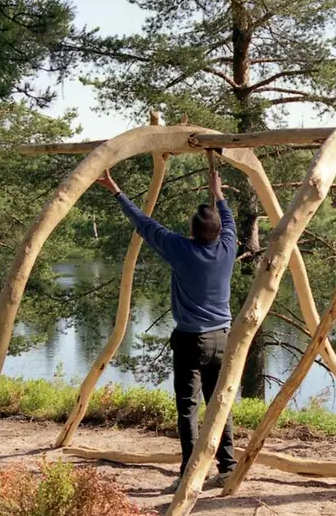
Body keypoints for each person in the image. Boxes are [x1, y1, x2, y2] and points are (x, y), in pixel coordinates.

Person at [96, 165, 237, 493]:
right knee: (219, 403)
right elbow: (227, 220)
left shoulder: (182, 250)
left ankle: (190, 473)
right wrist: (218, 194)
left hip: (191, 339)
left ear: (191, 230)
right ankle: (227, 467)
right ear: (217, 232)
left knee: (188, 407)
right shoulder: (228, 247)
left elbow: (144, 224)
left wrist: (115, 188)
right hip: (223, 338)